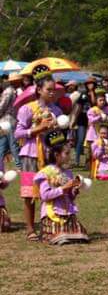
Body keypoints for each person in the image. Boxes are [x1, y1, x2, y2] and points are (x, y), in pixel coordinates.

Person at [15, 65, 64, 242]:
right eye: (48, 90)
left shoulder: (57, 111)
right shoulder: (27, 109)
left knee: (49, 191)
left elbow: (59, 136)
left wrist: (57, 128)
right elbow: (18, 133)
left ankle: (48, 226)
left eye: (54, 90)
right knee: (30, 194)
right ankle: (30, 228)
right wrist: (37, 129)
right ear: (39, 89)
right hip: (31, 154)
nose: (52, 93)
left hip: (50, 155)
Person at [34, 129, 90, 245]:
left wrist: (74, 191)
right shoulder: (46, 172)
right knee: (62, 236)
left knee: (81, 236)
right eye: (67, 153)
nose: (69, 156)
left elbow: (69, 197)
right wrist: (64, 188)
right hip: (52, 213)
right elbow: (45, 196)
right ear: (56, 155)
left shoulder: (68, 173)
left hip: (67, 212)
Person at [84, 87, 108, 165]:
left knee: (102, 150)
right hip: (93, 134)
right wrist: (99, 117)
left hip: (103, 134)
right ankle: (90, 165)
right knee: (92, 152)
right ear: (96, 101)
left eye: (103, 100)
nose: (102, 102)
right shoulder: (92, 110)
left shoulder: (107, 109)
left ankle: (101, 166)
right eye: (100, 100)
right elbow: (91, 120)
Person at [0, 74, 18, 169]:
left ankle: (19, 165)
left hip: (7, 120)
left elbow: (2, 107)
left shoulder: (8, 91)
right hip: (8, 120)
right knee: (4, 144)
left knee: (11, 144)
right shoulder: (12, 91)